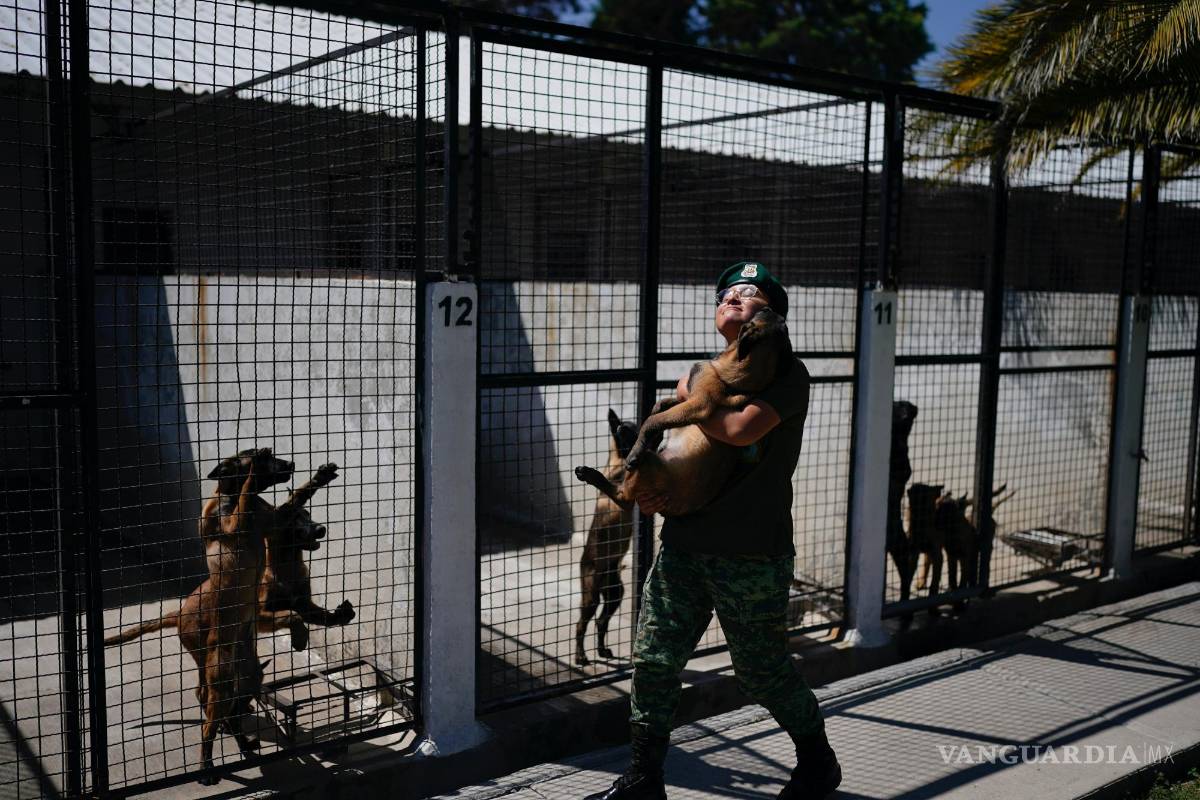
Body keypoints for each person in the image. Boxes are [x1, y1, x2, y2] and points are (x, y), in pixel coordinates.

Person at [584, 261, 841, 800]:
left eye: (750, 296)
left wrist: (690, 391)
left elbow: (738, 427)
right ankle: (643, 778)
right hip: (684, 544)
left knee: (761, 670)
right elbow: (679, 456)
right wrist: (656, 494)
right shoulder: (710, 372)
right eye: (728, 294)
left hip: (750, 553)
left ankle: (817, 762)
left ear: (770, 318)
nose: (735, 300)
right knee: (653, 659)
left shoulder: (788, 375)